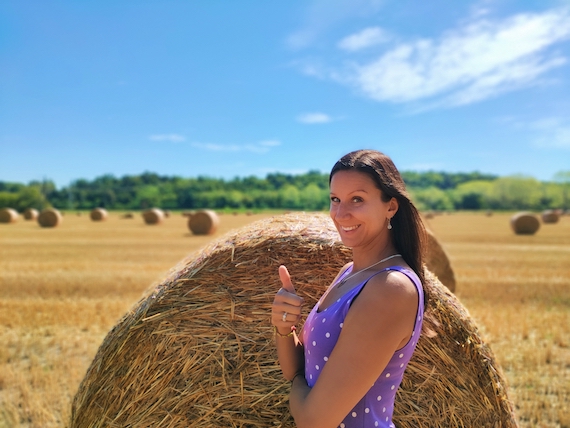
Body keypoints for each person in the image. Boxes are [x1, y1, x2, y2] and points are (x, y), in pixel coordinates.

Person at [271, 149, 427, 428]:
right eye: (335, 199)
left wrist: (298, 385)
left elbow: (313, 420)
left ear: (390, 206)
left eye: (357, 199)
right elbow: (297, 370)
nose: (341, 214)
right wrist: (284, 326)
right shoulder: (350, 273)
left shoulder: (390, 289)